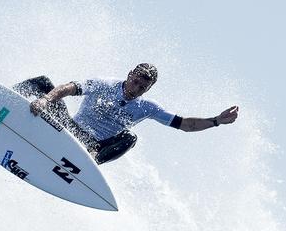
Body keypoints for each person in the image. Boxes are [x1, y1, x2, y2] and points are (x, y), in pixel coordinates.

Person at [13, 63, 239, 164]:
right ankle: (1, 101)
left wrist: (216, 121)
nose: (137, 87)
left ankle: (88, 164)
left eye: (143, 86)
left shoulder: (147, 107)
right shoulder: (104, 83)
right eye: (136, 80)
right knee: (43, 83)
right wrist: (46, 100)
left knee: (131, 138)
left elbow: (185, 124)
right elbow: (69, 88)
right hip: (69, 129)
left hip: (91, 147)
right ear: (130, 74)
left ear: (148, 89)